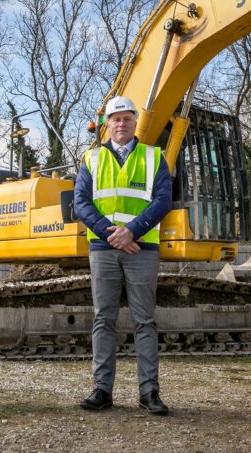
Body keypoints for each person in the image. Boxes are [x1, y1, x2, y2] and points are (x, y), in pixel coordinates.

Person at [74, 95, 173, 415]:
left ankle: (149, 392)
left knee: (145, 320)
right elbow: (81, 204)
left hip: (141, 248)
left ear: (134, 123)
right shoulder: (91, 159)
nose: (121, 123)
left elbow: (162, 200)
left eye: (127, 118)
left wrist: (133, 230)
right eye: (115, 119)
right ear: (106, 125)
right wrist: (112, 234)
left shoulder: (154, 157)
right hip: (105, 248)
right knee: (104, 318)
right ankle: (102, 390)